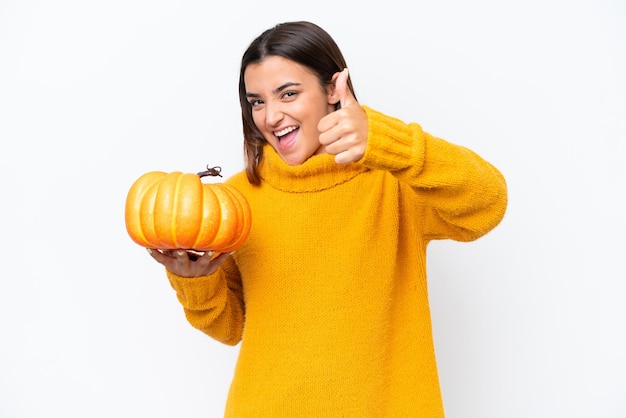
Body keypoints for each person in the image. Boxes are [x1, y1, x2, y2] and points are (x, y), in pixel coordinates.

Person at [147, 20, 508, 417]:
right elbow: (229, 327)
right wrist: (195, 282)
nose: (270, 116)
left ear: (334, 89)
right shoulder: (236, 199)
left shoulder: (393, 181)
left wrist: (387, 142)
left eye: (288, 93)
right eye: (257, 101)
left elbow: (486, 204)